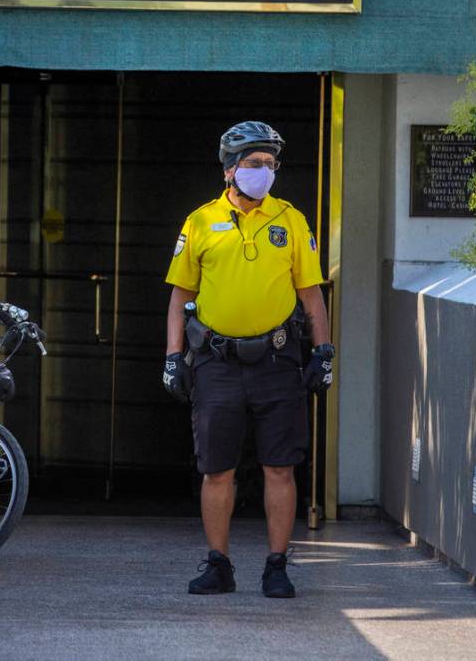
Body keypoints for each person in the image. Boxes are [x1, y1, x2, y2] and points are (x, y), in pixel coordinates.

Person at [162, 121, 334, 599]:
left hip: (278, 361)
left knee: (281, 466)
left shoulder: (291, 220)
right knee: (216, 469)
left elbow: (312, 297)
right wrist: (173, 358)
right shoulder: (199, 223)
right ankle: (219, 564)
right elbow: (180, 299)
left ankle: (276, 566)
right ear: (230, 170)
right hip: (217, 363)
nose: (264, 172)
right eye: (255, 164)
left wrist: (323, 352)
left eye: (271, 165)